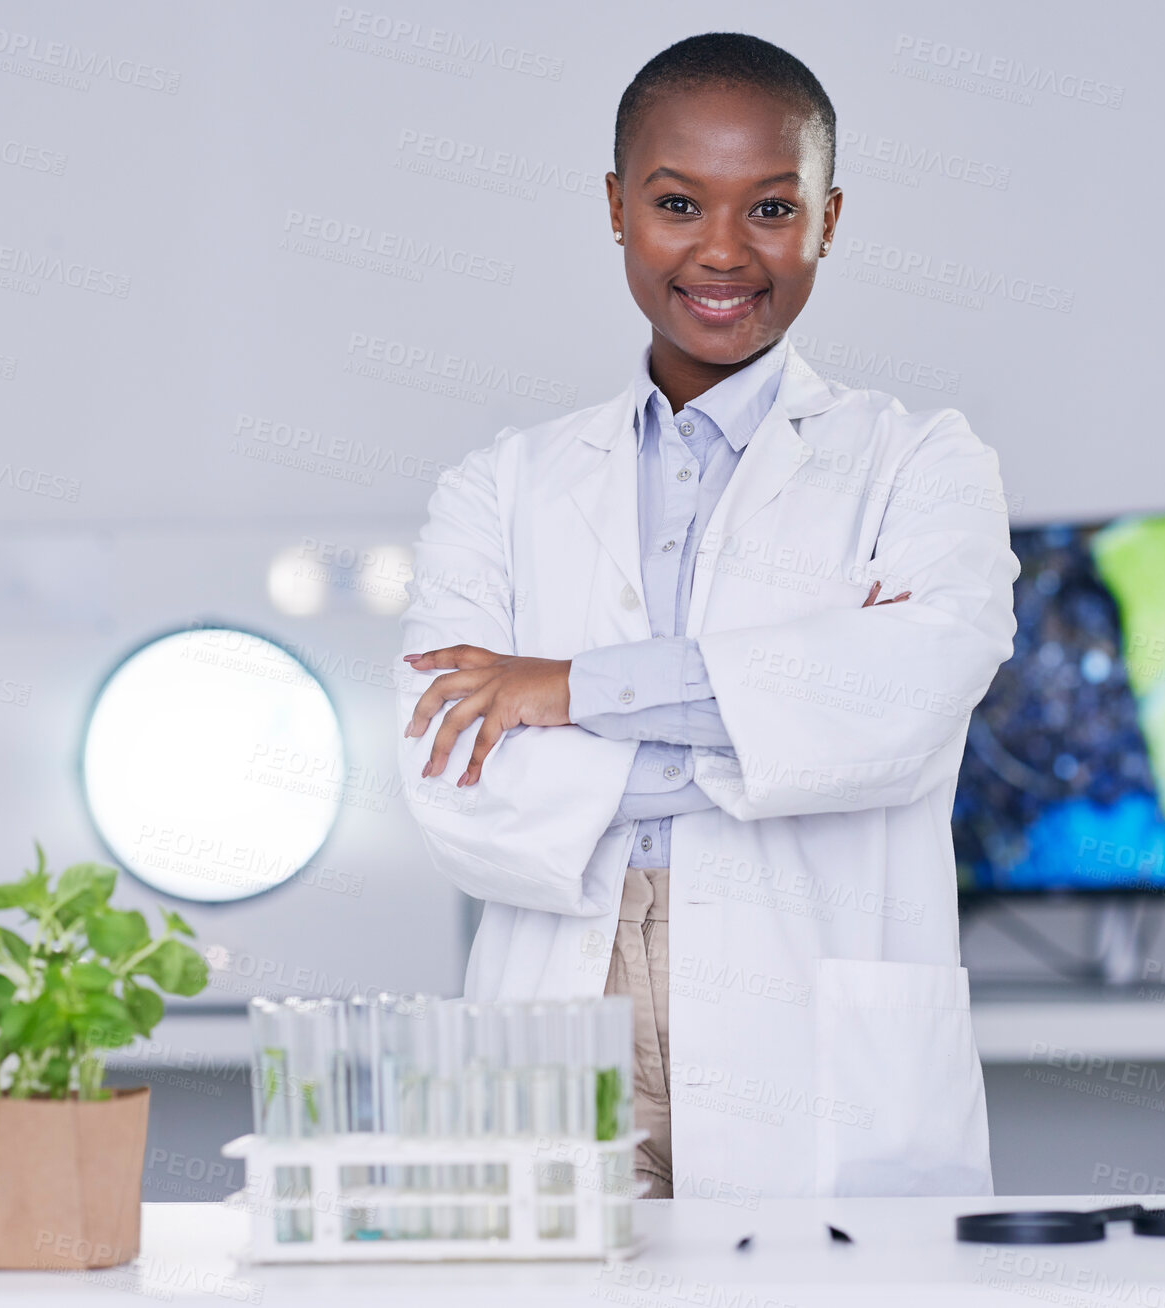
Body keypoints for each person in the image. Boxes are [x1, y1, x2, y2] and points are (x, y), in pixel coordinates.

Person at [396, 31, 1019, 1202]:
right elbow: (451, 789)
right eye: (679, 202)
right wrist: (785, 703)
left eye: (773, 208)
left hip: (816, 1033)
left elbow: (906, 711)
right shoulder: (502, 484)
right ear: (618, 208)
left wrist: (569, 693)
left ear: (829, 218)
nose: (724, 251)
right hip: (558, 1018)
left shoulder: (921, 463)